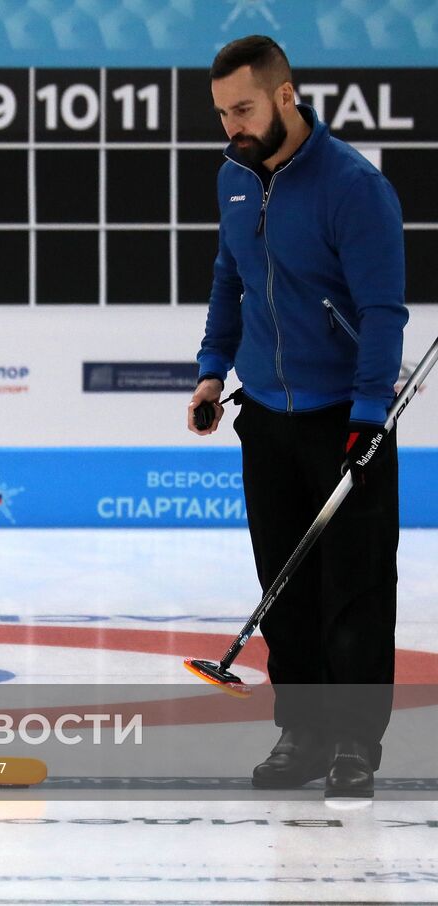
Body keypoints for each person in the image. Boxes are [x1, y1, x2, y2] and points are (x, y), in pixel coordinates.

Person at [187, 35, 407, 798]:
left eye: (243, 108)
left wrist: (371, 411)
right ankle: (304, 732)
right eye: (221, 114)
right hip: (268, 418)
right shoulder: (235, 180)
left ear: (286, 95)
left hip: (346, 417)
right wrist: (212, 371)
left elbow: (382, 309)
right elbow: (229, 278)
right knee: (285, 583)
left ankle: (354, 742)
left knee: (355, 587)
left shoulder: (352, 186)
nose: (232, 127)